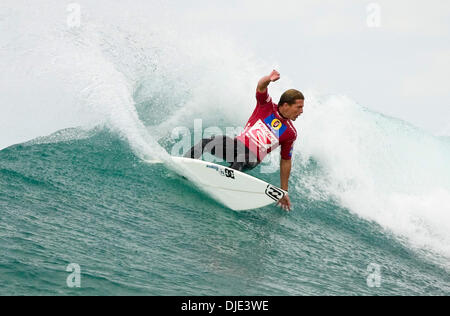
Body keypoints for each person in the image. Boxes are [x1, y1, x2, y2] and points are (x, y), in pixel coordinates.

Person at [184, 70, 304, 211]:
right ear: (285, 105)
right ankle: (183, 166)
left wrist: (284, 191)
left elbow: (286, 160)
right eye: (299, 107)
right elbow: (261, 87)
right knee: (206, 142)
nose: (301, 111)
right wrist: (269, 79)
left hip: (252, 157)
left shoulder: (290, 132)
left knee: (241, 158)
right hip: (236, 145)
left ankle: (224, 188)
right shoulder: (266, 107)